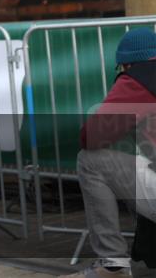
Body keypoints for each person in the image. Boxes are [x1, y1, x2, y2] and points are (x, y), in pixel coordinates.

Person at [62, 28, 156, 277]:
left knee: (90, 160)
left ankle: (112, 264)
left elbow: (91, 136)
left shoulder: (139, 79)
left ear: (126, 65)